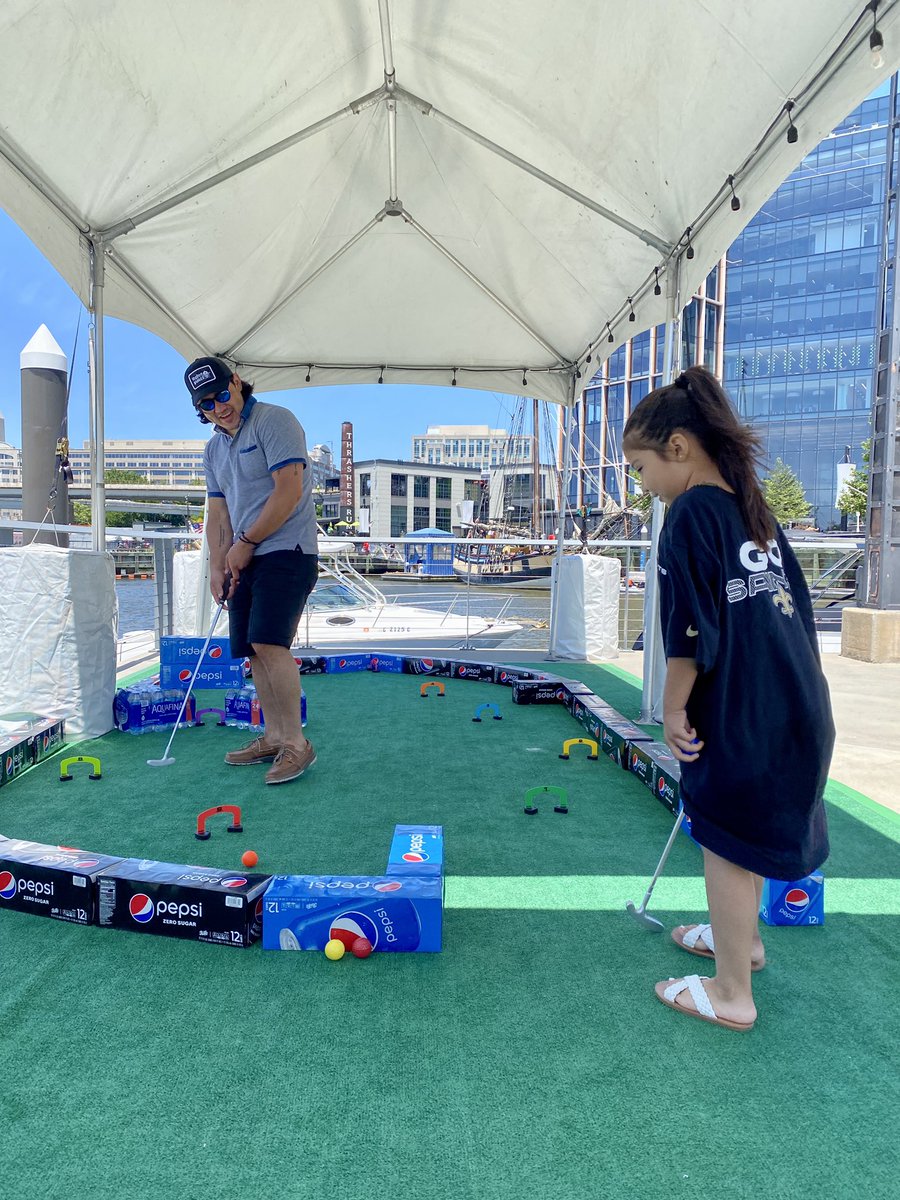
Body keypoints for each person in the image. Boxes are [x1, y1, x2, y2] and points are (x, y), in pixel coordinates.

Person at [623, 365, 834, 1032]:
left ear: (678, 447)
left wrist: (672, 708)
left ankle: (731, 991)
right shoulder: (751, 506)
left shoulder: (689, 515)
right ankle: (743, 941)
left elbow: (689, 631)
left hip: (741, 713)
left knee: (725, 841)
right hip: (796, 703)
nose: (642, 485)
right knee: (751, 831)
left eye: (640, 468)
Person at [184, 356, 319, 785]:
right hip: (245, 557)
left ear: (237, 382)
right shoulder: (213, 450)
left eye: (223, 394)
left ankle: (297, 743)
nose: (219, 407)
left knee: (269, 642)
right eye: (207, 404)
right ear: (199, 409)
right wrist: (216, 566)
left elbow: (288, 491)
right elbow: (218, 514)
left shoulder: (274, 421)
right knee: (252, 649)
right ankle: (274, 736)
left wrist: (244, 544)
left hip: (288, 549)